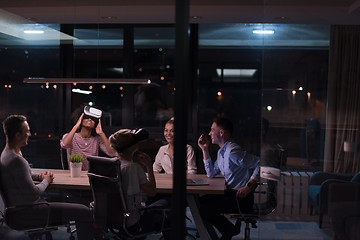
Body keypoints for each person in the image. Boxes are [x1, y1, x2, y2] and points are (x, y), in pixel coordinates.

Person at [0, 115, 94, 240]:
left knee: (78, 206)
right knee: (84, 211)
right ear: (17, 135)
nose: (30, 134)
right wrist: (46, 180)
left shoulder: (8, 153)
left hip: (22, 209)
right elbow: (34, 193)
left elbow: (21, 175)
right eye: (27, 131)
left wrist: (38, 176)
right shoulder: (17, 160)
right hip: (29, 213)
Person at [197, 117, 260, 240]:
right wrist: (205, 150)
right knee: (200, 203)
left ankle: (229, 230)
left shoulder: (232, 151)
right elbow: (211, 173)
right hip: (231, 194)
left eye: (212, 130)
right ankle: (227, 231)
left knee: (204, 209)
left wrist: (249, 186)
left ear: (221, 133)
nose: (209, 133)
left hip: (241, 198)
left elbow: (260, 163)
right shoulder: (222, 151)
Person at [109, 128, 172, 239]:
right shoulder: (133, 168)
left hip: (113, 220)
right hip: (134, 223)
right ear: (134, 147)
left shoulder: (111, 165)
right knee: (170, 202)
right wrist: (149, 167)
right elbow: (152, 192)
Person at [60, 105, 116, 170]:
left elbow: (112, 153)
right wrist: (76, 126)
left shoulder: (97, 139)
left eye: (93, 119)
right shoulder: (70, 136)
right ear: (81, 119)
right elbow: (64, 145)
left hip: (91, 175)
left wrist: (101, 133)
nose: (89, 119)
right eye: (87, 117)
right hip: (75, 175)